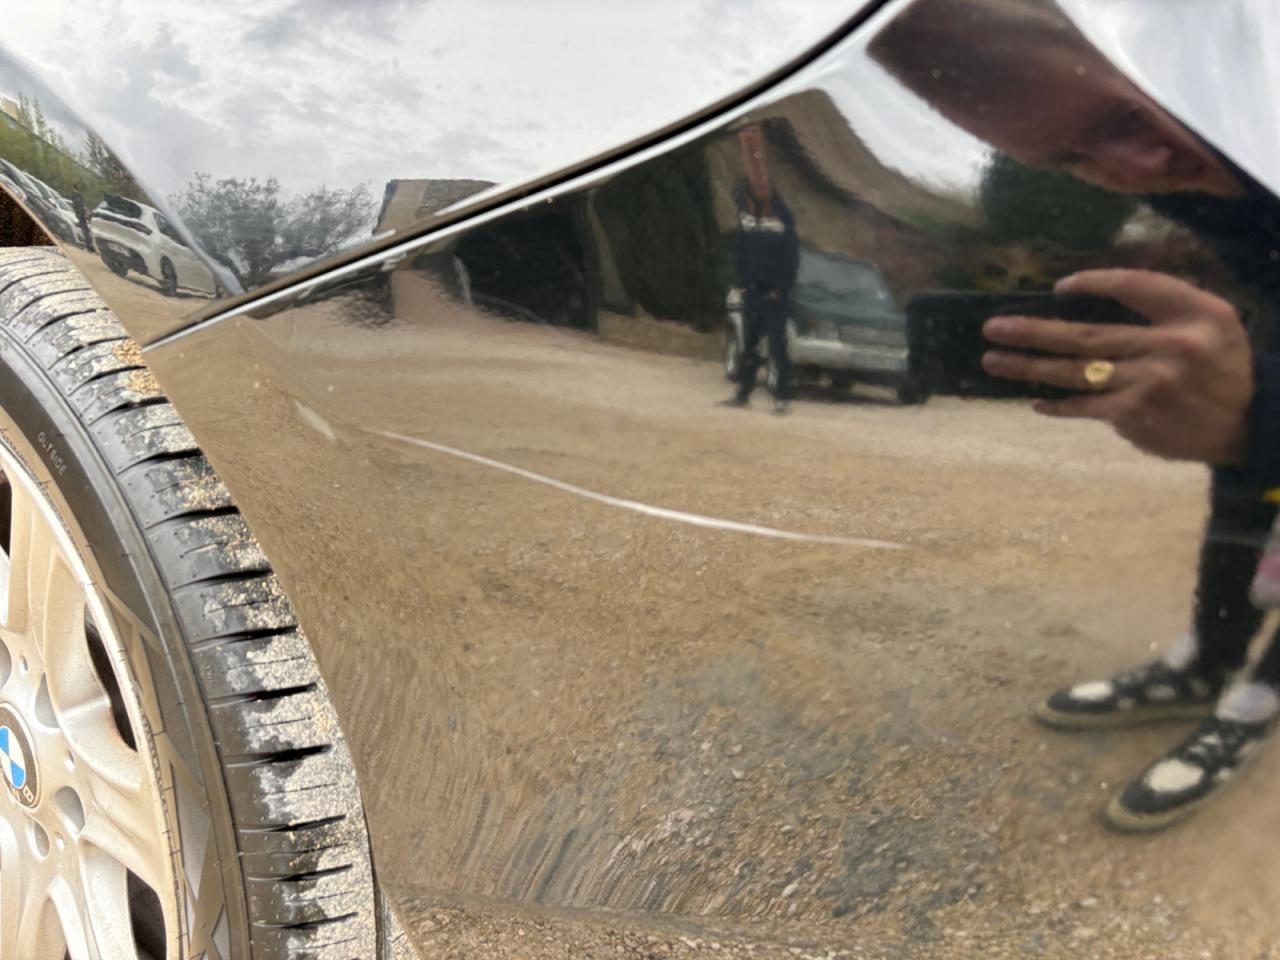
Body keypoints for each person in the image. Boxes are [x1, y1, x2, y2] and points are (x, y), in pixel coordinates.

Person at [872, 0, 1280, 830]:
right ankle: (1206, 664)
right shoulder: (1204, 155)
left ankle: (1254, 701)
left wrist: (1260, 412)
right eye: (1070, 159)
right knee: (1244, 486)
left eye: (1125, 118)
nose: (1135, 169)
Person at [722, 121, 799, 415]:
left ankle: (781, 398)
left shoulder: (782, 220)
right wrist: (741, 282)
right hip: (751, 291)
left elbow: (790, 260)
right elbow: (739, 250)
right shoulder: (746, 218)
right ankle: (743, 393)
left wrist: (780, 290)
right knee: (749, 346)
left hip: (774, 296)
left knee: (777, 347)